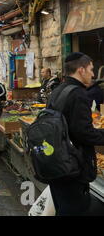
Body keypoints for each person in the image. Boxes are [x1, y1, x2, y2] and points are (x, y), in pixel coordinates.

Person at [47, 52, 104, 216]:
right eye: (91, 70)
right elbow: (84, 133)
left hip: (56, 163)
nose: (93, 74)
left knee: (62, 208)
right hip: (72, 167)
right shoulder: (78, 94)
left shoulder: (58, 90)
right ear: (81, 70)